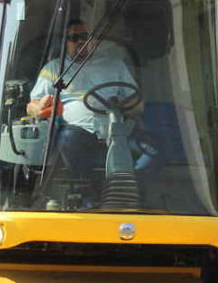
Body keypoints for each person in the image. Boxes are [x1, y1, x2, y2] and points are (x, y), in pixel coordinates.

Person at [26, 20, 140, 188]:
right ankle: (88, 192)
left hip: (117, 132)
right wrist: (40, 107)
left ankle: (134, 195)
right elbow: (31, 107)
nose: (81, 41)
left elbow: (139, 105)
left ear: (93, 40)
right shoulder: (54, 68)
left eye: (85, 37)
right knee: (68, 138)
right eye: (74, 37)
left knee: (155, 147)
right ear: (66, 42)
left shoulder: (115, 64)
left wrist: (119, 106)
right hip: (76, 135)